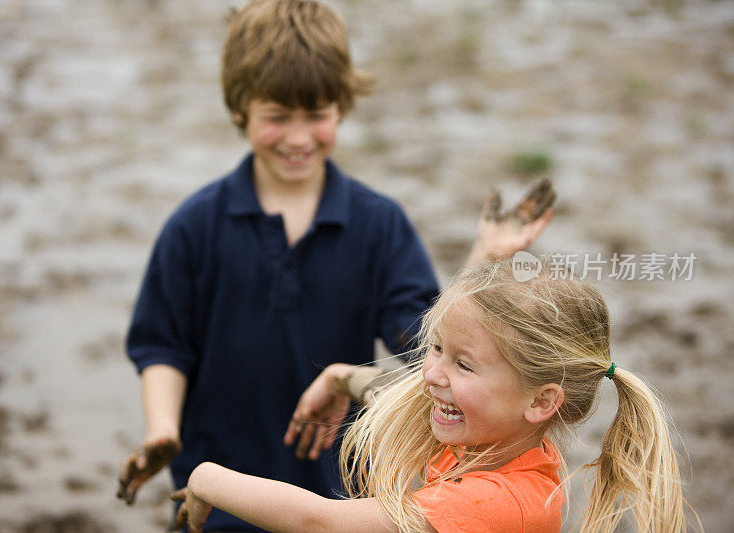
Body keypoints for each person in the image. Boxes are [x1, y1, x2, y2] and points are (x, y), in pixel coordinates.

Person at [116, 0, 554, 530]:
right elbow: (163, 343)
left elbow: (425, 342)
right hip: (218, 494)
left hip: (341, 497)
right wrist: (162, 430)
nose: (299, 138)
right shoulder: (195, 226)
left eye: (317, 115)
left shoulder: (378, 224)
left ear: (342, 109)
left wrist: (482, 260)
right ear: (240, 110)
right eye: (277, 117)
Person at [171, 258, 692, 533]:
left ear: (541, 401)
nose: (429, 375)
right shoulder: (495, 438)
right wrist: (337, 377)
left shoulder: (502, 503)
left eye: (462, 363)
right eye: (435, 348)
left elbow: (320, 522)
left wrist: (207, 478)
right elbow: (387, 395)